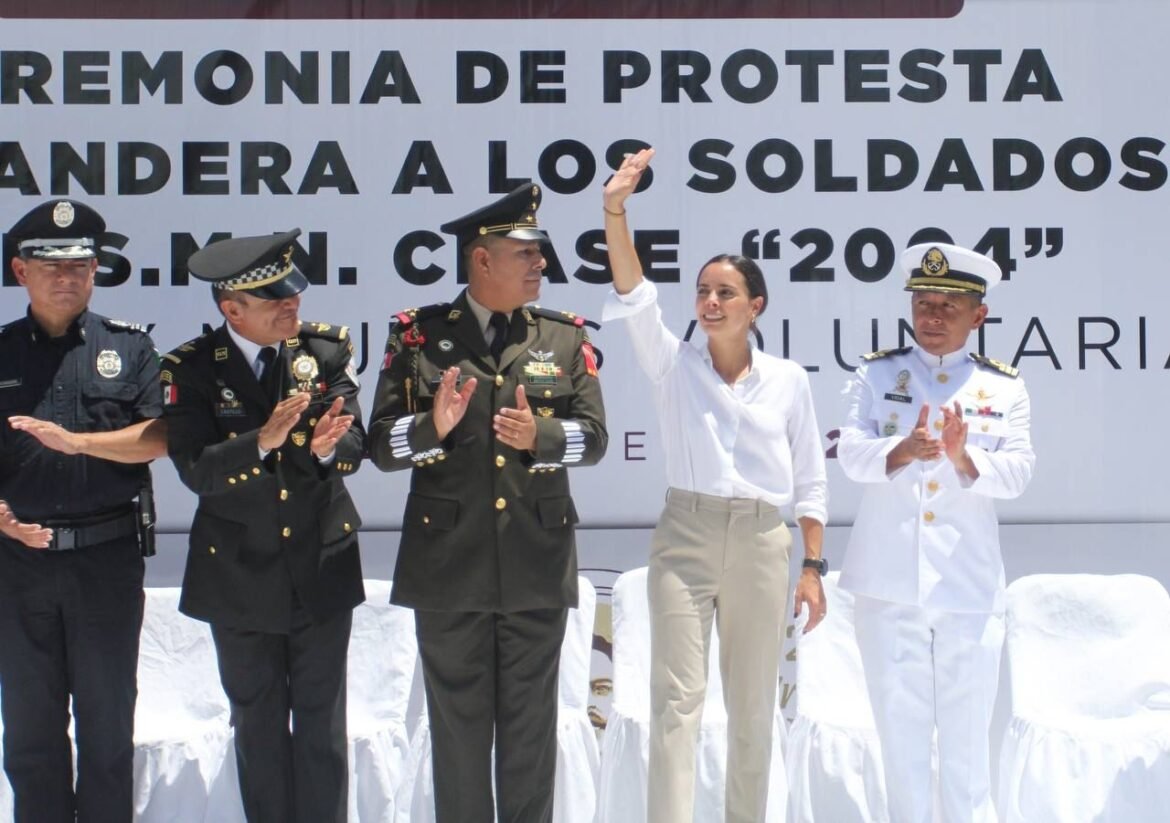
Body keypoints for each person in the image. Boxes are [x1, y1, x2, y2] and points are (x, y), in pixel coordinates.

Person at [368, 181, 608, 822]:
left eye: (539, 253)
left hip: (535, 564)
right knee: (458, 739)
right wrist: (432, 428)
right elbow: (381, 447)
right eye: (525, 253)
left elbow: (595, 440)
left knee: (531, 740)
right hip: (448, 569)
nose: (540, 265)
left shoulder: (561, 338)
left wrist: (544, 437)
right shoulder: (418, 337)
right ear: (481, 259)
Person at [601, 149, 829, 823]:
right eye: (702, 291)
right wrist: (616, 208)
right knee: (677, 700)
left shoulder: (789, 379)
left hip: (763, 540)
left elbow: (812, 480)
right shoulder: (673, 364)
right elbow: (633, 289)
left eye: (725, 292)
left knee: (754, 705)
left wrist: (812, 566)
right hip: (687, 533)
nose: (709, 301)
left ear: (755, 305)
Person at [162, 229, 365, 823]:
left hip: (321, 566)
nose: (292, 306)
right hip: (238, 575)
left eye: (294, 294)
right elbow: (197, 471)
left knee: (323, 730)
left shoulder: (322, 353)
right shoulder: (192, 369)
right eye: (276, 299)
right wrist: (263, 441)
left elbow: (355, 440)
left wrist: (331, 448)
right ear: (233, 310)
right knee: (257, 727)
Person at [837, 242, 1035, 823]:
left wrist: (963, 457)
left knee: (968, 750)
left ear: (979, 315)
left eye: (949, 305)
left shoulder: (1004, 387)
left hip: (967, 588)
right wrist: (900, 449)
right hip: (889, 586)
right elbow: (849, 453)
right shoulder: (877, 373)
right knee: (899, 745)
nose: (933, 316)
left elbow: (1019, 471)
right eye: (924, 303)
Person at [0, 199, 166, 823]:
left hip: (105, 560)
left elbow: (157, 437)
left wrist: (78, 443)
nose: (66, 276)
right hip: (18, 564)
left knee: (106, 733)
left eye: (80, 264)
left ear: (96, 271)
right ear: (21, 272)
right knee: (31, 735)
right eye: (50, 265)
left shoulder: (130, 349)